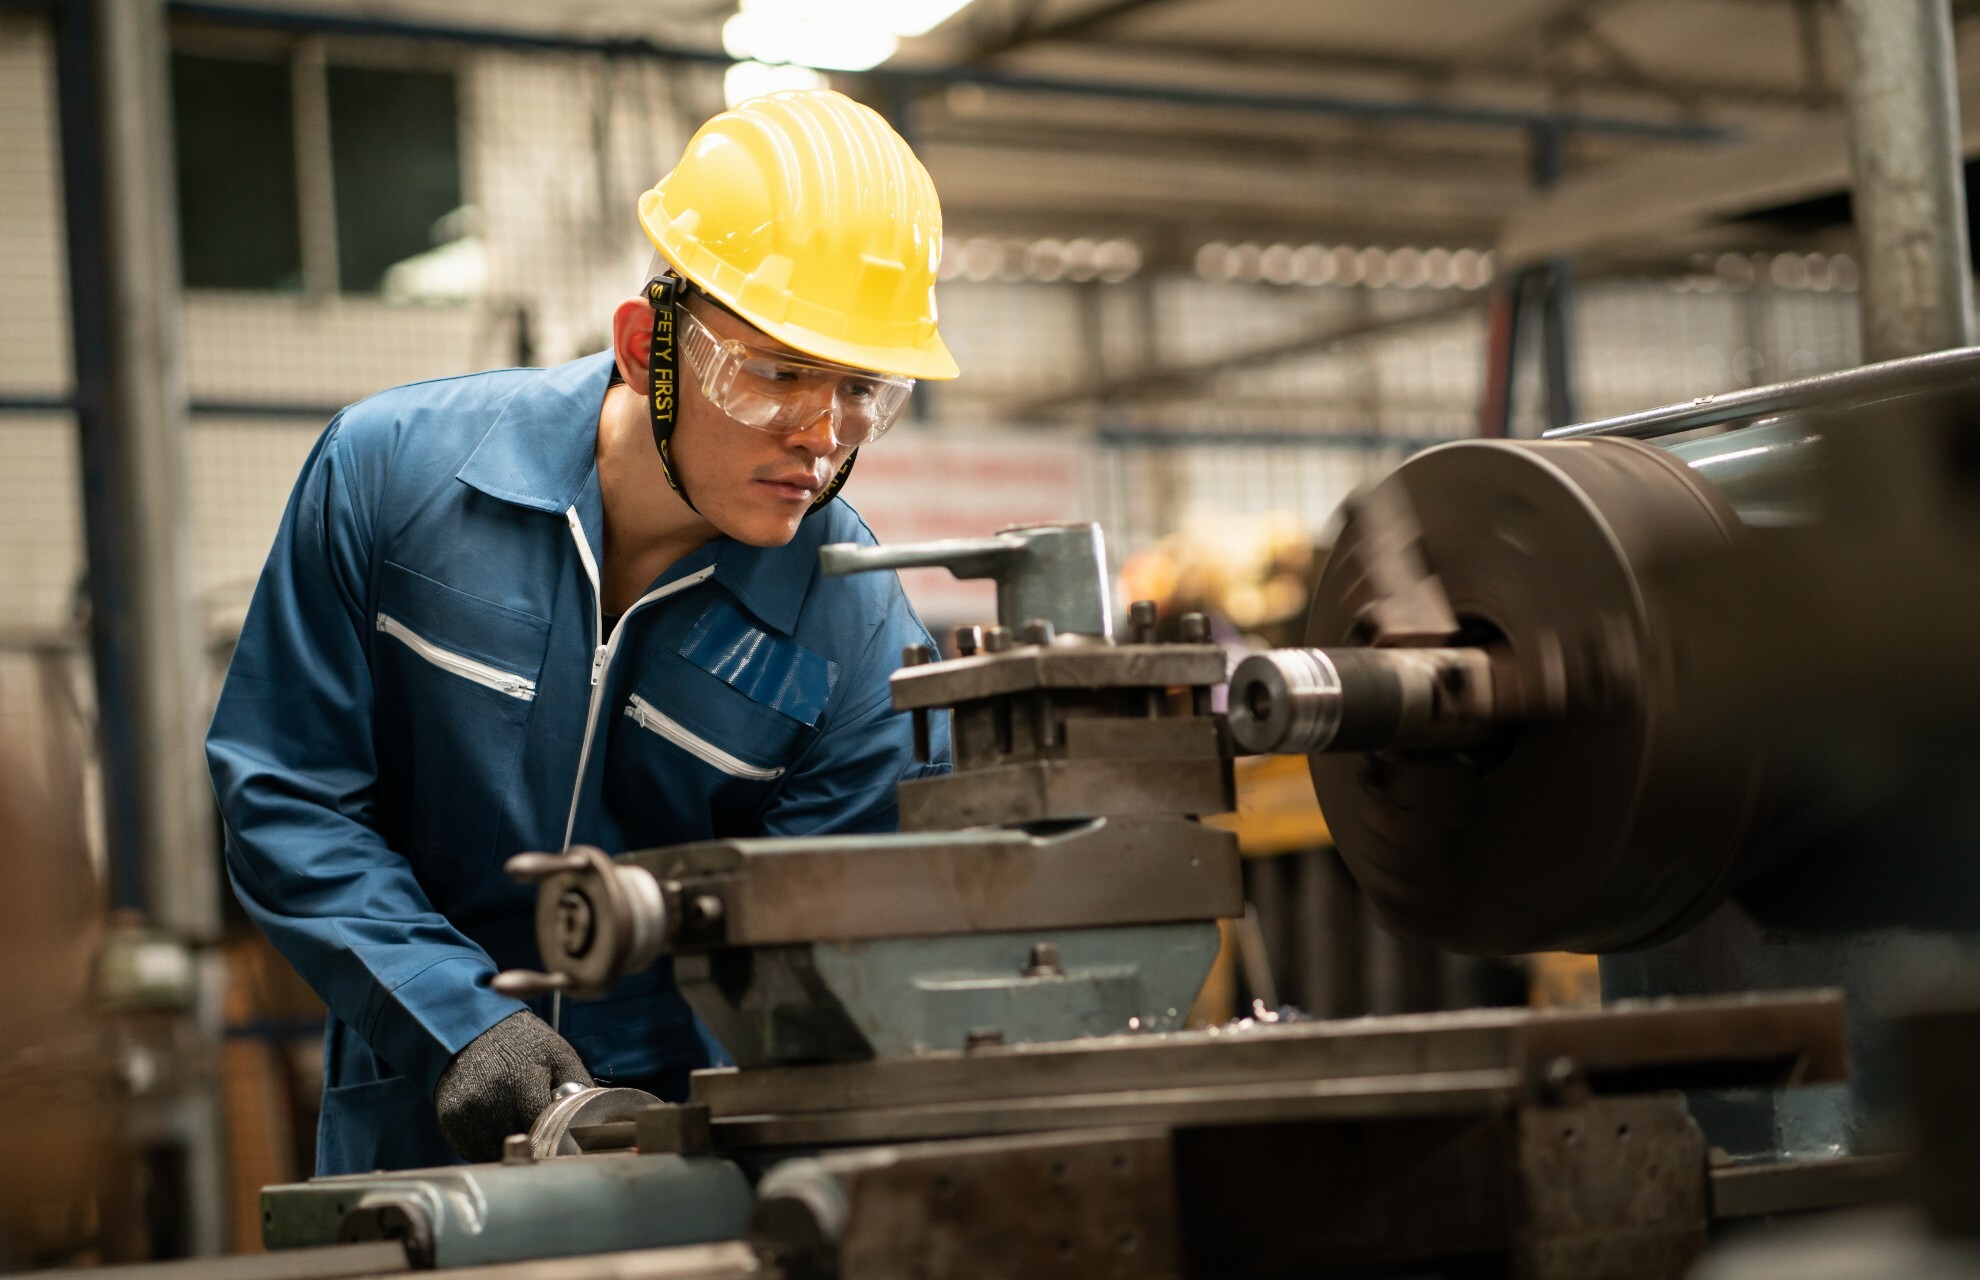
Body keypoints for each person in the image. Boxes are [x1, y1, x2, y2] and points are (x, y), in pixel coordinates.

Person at [207, 89, 959, 1175]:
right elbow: (288, 790)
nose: (820, 435)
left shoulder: (855, 630)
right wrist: (457, 1021)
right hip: (412, 1135)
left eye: (860, 389)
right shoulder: (392, 479)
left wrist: (692, 1153)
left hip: (685, 1172)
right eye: (776, 371)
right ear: (645, 344)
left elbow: (808, 967)